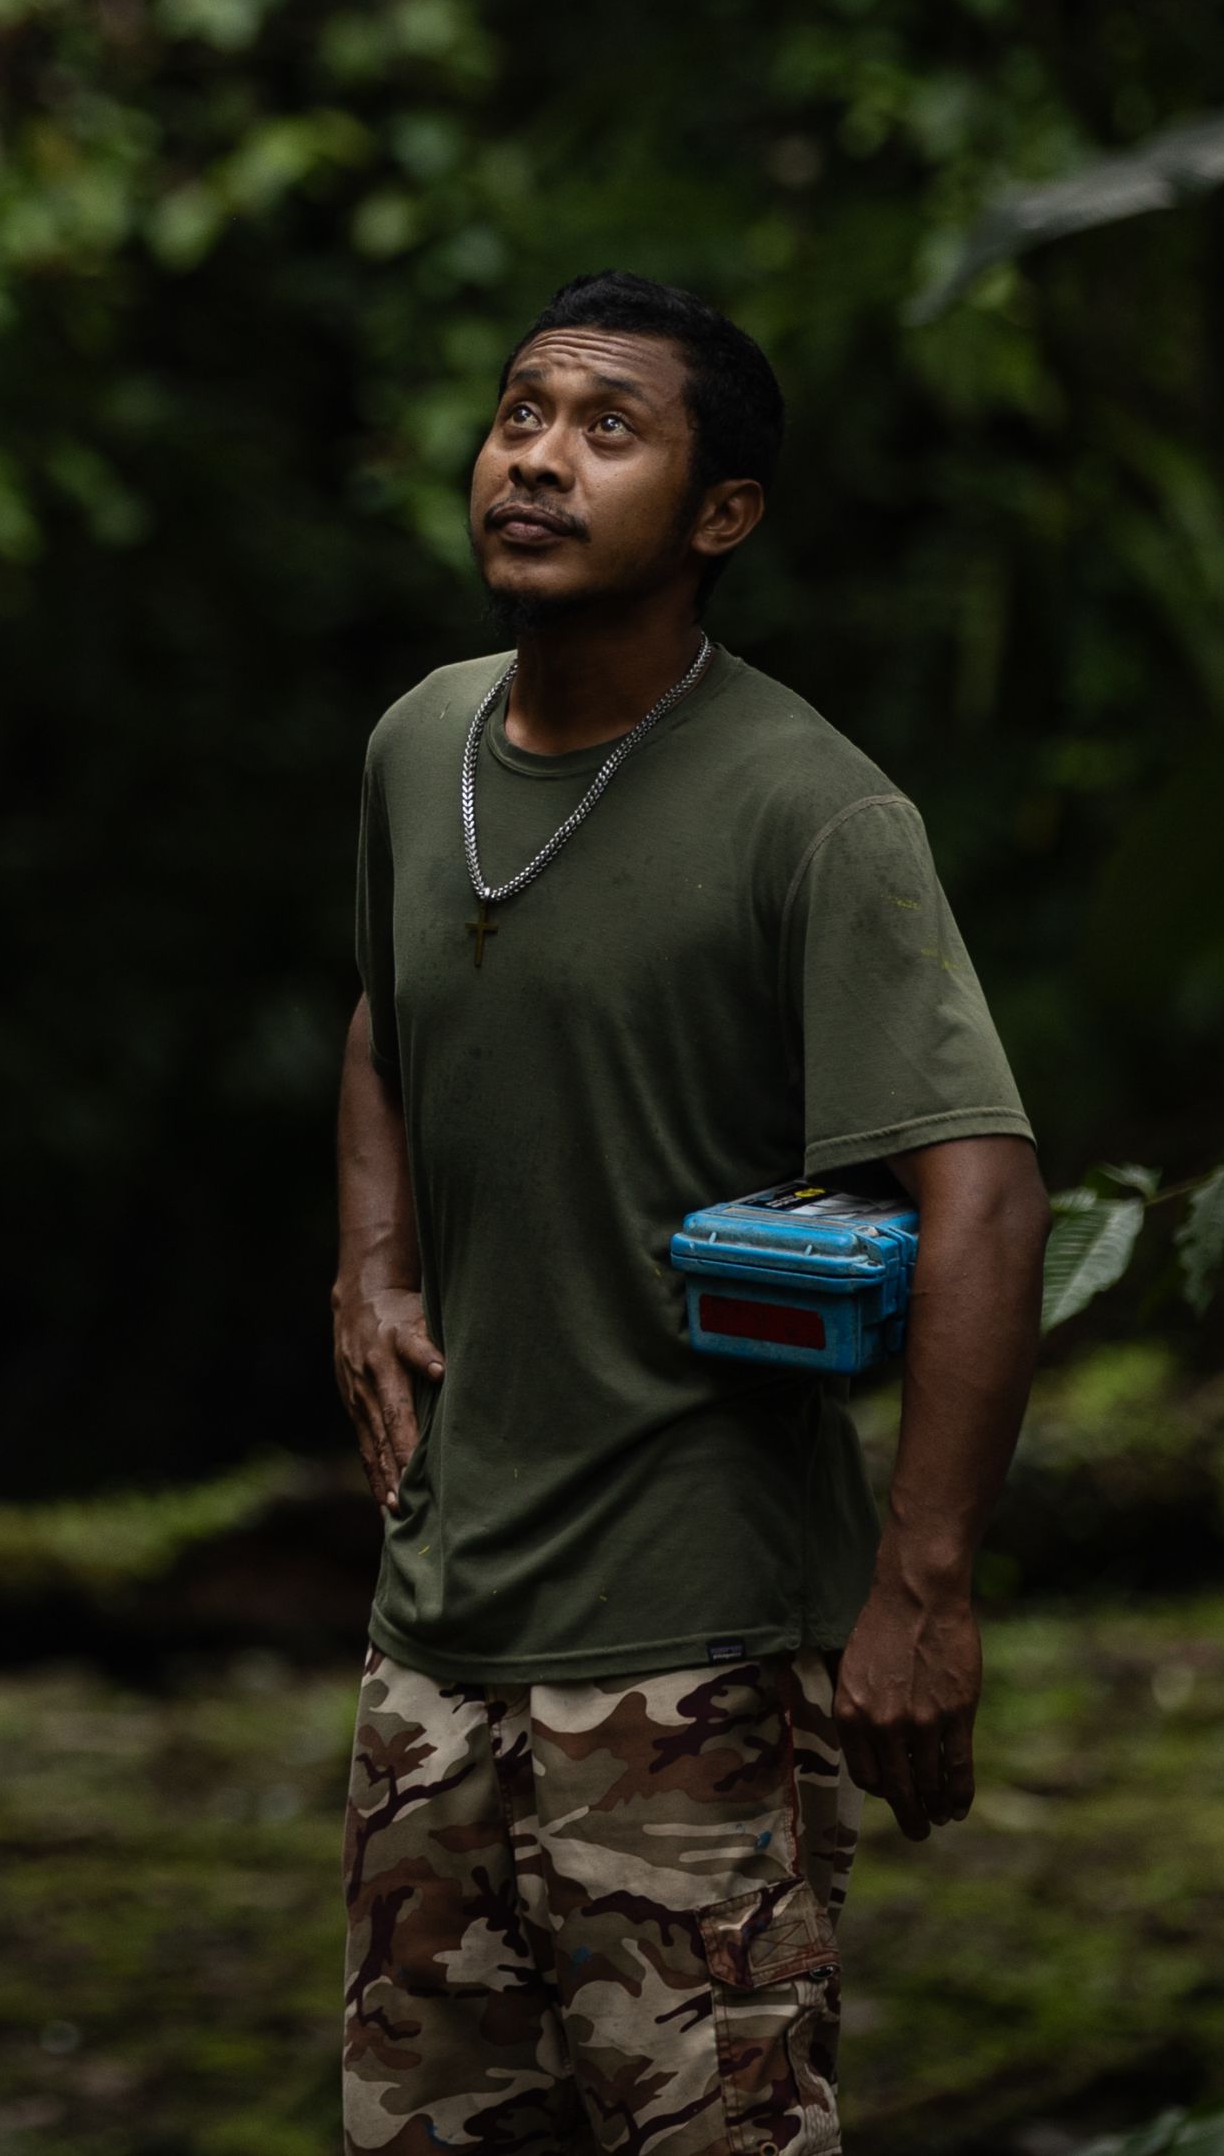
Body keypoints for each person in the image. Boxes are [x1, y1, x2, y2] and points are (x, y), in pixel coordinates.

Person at [330, 273, 1048, 2155]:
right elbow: (382, 1017)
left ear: (720, 515)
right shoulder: (421, 747)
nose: (536, 460)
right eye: (519, 415)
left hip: (692, 1653)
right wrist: (372, 1266)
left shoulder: (813, 813)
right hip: (434, 1647)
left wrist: (923, 1588)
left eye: (605, 429)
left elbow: (982, 1193)